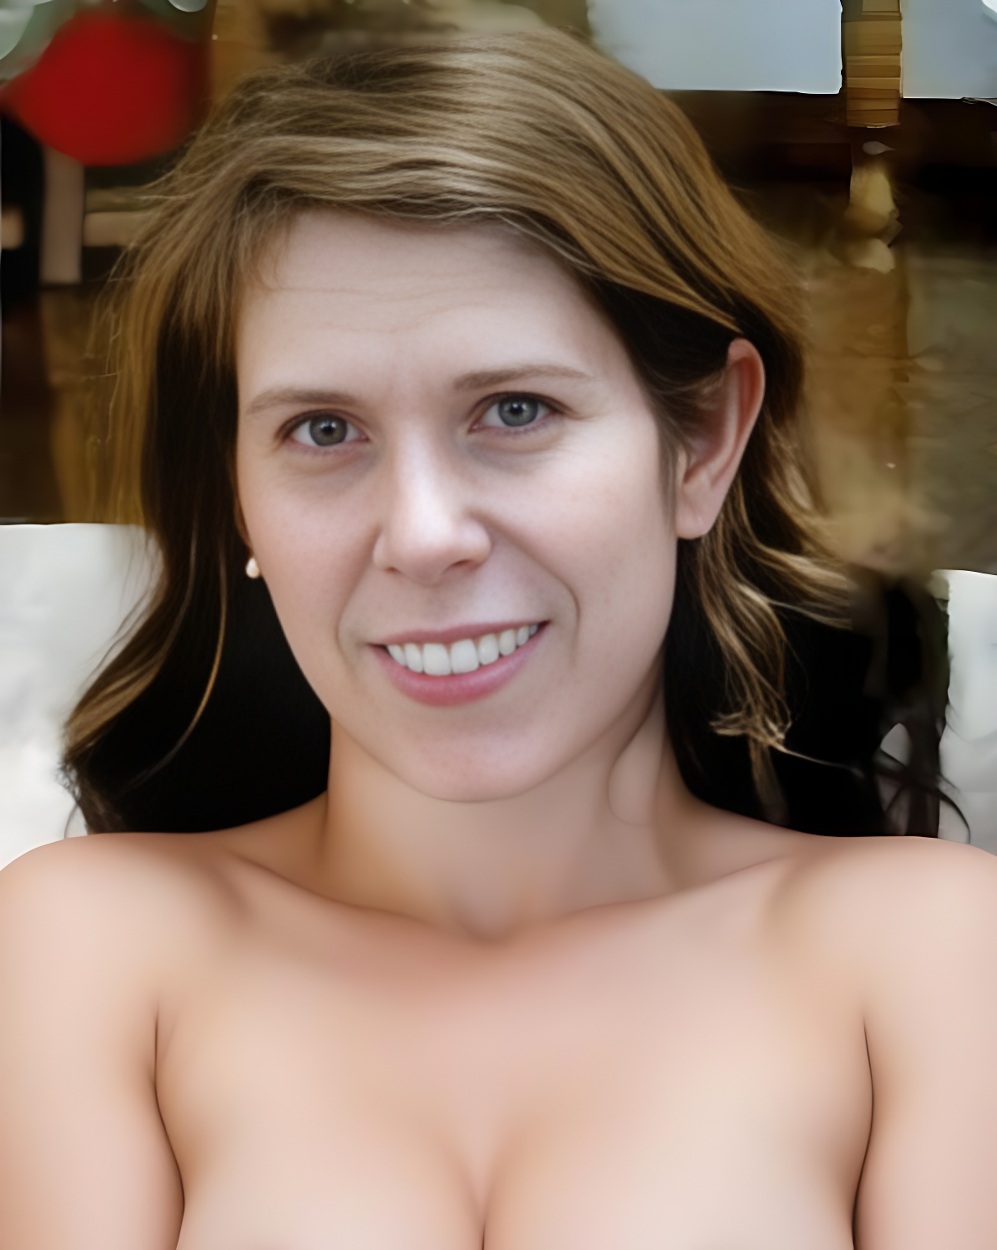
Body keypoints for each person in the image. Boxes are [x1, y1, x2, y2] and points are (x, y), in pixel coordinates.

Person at [1, 28, 995, 1250]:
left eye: (514, 410)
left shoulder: (927, 953)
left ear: (702, 443)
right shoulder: (89, 945)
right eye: (323, 430)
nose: (423, 535)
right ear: (236, 495)